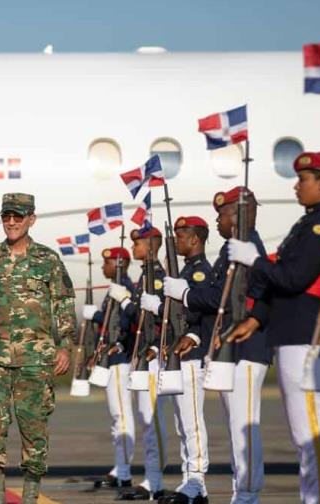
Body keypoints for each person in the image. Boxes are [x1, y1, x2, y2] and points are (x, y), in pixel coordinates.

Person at [227, 152, 320, 504]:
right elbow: (283, 282)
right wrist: (256, 318)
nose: (297, 186)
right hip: (296, 333)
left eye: (304, 179)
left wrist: (255, 260)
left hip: (310, 334)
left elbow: (293, 278)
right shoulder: (308, 223)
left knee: (314, 431)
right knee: (304, 432)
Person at [0, 193, 74, 504]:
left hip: (35, 360)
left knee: (34, 430)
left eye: (18, 216)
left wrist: (66, 346)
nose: (11, 222)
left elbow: (63, 303)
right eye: (6, 216)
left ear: (31, 219)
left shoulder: (48, 261)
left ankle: (30, 497)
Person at [166, 187, 271, 504]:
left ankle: (248, 495)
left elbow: (217, 297)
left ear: (239, 212)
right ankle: (242, 493)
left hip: (248, 348)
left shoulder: (246, 245)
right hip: (231, 349)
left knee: (244, 428)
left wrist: (183, 294)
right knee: (236, 427)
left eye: (222, 213)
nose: (218, 220)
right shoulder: (233, 247)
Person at [155, 216, 213, 504]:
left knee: (191, 420)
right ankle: (189, 483)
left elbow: (204, 310)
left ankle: (197, 480)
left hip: (191, 355)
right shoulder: (186, 270)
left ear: (195, 240)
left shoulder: (200, 271)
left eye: (181, 236)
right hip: (178, 355)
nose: (176, 241)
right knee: (181, 422)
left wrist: (193, 334)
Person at [113, 227, 169, 501]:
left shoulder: (157, 277)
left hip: (155, 357)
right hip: (142, 357)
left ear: (151, 245)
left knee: (152, 420)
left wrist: (125, 301)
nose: (133, 248)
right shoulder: (144, 277)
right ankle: (151, 477)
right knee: (147, 420)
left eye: (138, 244)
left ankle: (155, 480)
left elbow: (153, 318)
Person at [88, 246, 136, 490]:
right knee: (116, 418)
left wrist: (96, 316)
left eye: (107, 263)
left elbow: (126, 323)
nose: (102, 267)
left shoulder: (125, 289)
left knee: (122, 416)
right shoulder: (115, 289)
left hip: (121, 360)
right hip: (111, 360)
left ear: (119, 263)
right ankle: (120, 466)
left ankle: (124, 471)